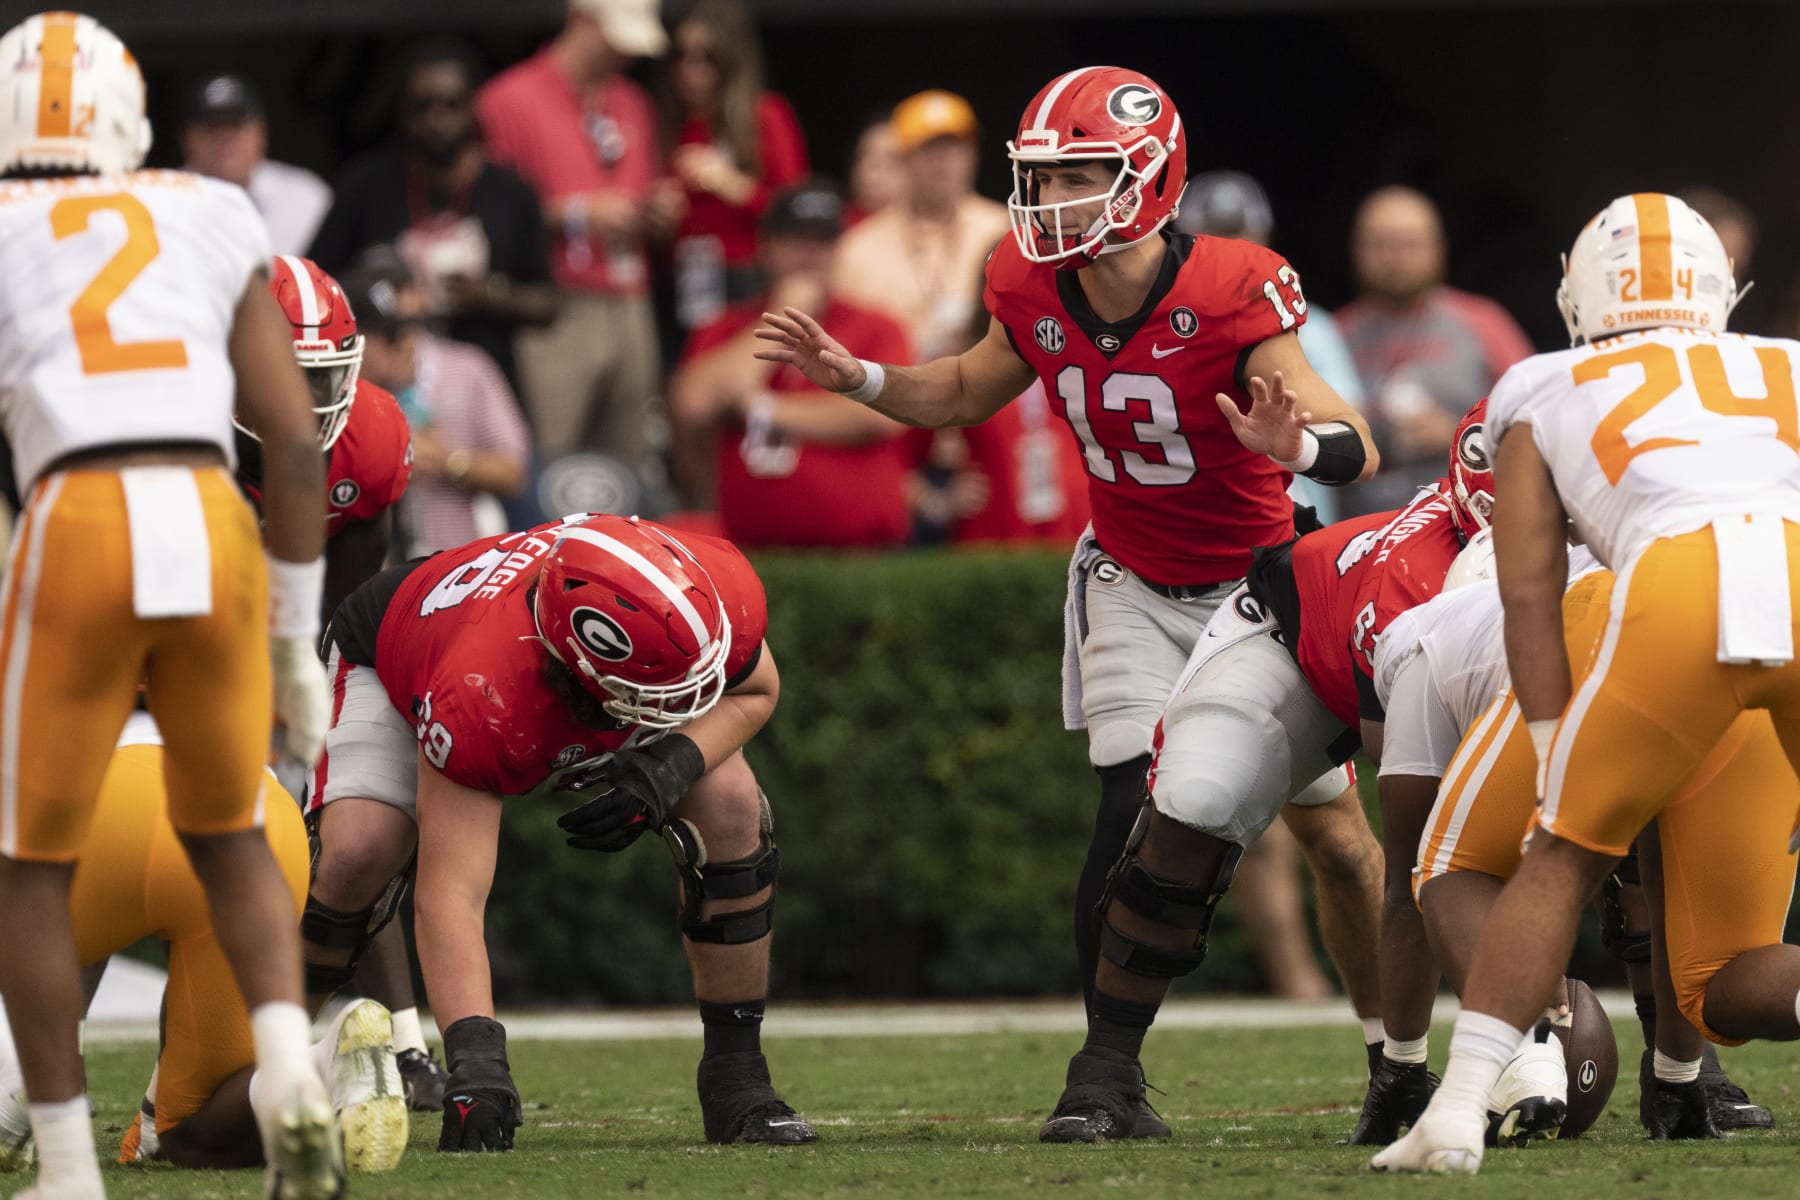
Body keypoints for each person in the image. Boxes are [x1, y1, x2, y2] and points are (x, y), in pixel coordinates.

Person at [756, 66, 1383, 1143]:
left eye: (1076, 176)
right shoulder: (1028, 282)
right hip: (1129, 577)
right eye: (1039, 179)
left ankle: (1395, 1053)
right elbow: (960, 389)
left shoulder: (1238, 285)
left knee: (1334, 841)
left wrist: (1300, 444)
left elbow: (1354, 437)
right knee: (1124, 814)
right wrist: (860, 376)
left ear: (1147, 175)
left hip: (1257, 586)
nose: (1049, 202)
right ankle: (1105, 1079)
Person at [1375, 192, 1800, 1174]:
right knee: (1722, 980)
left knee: (1553, 854)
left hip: (1678, 597)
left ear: (1578, 297)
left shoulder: (1542, 383)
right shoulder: (1784, 360)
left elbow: (1527, 590)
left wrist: (1551, 733)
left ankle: (1460, 1108)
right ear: (1717, 291)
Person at [0, 13, 337, 1198]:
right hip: (208, 510)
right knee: (229, 827)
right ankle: (291, 1076)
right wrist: (296, 635)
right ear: (130, 121)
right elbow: (294, 446)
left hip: (79, 508)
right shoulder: (208, 207)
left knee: (28, 869)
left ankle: (66, 1166)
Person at [302, 513, 816, 1151]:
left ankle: (738, 1079)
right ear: (585, 675)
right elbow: (451, 893)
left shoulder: (702, 593)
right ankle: (252, 1060)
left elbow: (755, 690)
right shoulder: (483, 688)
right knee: (359, 853)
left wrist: (667, 768)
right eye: (663, 694)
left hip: (594, 657)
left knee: (732, 806)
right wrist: (478, 1065)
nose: (684, 703)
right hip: (396, 653)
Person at [1381, 545, 1773, 1139]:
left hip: (1612, 639)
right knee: (1720, 974)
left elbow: (1408, 871)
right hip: (1766, 646)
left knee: (1446, 869)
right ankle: (1678, 1083)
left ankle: (1531, 1062)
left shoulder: (1421, 635)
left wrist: (1398, 1072)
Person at [233, 253, 453, 1111]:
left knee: (346, 812)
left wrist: (312, 690)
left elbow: (350, 602)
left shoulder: (371, 435)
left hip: (298, 620)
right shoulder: (184, 429)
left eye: (323, 377)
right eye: (290, 376)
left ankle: (403, 1040)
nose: (309, 401)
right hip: (181, 626)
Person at [0, 715, 407, 1176]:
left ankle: (15, 1070)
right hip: (261, 822)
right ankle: (325, 1062)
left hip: (110, 789)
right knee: (195, 1129)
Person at [477, 0, 681, 476]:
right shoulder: (509, 100)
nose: (626, 54)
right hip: (558, 303)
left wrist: (657, 211)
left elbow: (641, 189)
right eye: (615, 38)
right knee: (553, 452)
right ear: (579, 19)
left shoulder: (634, 102)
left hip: (631, 298)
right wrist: (576, 213)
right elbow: (493, 214)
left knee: (630, 455)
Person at [669, 181, 917, 546]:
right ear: (767, 247)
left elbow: (883, 415)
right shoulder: (726, 326)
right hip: (747, 545)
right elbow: (695, 403)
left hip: (860, 548)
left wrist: (762, 408)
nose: (811, 254)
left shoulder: (877, 326)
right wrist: (777, 321)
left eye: (823, 242)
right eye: (797, 240)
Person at [308, 39, 557, 397]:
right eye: (422, 108)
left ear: (473, 109)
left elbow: (548, 304)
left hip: (485, 390)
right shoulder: (364, 187)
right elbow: (315, 283)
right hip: (380, 386)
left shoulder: (511, 192)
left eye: (451, 106)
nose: (436, 121)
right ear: (402, 112)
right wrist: (381, 293)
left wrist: (490, 294)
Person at [1335, 185, 1533, 515]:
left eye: (1410, 244)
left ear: (1439, 247)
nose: (1394, 257)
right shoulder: (1331, 334)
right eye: (1380, 243)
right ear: (1356, 249)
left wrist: (1456, 435)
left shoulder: (1483, 323)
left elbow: (1537, 419)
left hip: (1463, 525)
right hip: (1356, 531)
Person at [343, 254, 531, 555]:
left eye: (411, 327)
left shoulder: (466, 367)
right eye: (392, 336)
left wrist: (450, 461)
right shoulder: (336, 401)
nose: (407, 343)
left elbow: (515, 472)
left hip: (453, 557)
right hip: (371, 559)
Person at [828, 89, 1009, 361]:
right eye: (929, 147)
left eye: (955, 145)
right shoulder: (857, 248)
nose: (943, 159)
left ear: (973, 153)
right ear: (902, 157)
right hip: (893, 391)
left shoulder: (1004, 229)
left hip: (991, 389)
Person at [659, 0, 808, 331]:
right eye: (681, 56)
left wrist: (732, 184)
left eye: (706, 58)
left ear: (731, 60)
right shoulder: (669, 123)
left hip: (743, 275)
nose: (690, 69)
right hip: (680, 276)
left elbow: (796, 211)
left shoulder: (765, 115)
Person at [180, 73, 332, 257]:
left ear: (261, 134)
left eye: (236, 124)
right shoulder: (162, 201)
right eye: (211, 126)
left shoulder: (307, 197)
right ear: (188, 139)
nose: (225, 137)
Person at [844, 115, 902, 227]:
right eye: (861, 158)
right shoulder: (838, 232)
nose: (870, 177)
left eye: (890, 164)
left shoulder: (935, 236)